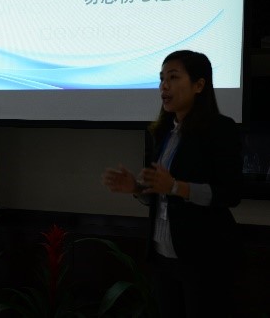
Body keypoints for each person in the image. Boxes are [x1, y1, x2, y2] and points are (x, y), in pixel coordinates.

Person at [102, 50, 243, 317]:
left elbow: (230, 193)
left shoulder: (221, 129)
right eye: (161, 78)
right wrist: (136, 189)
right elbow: (161, 192)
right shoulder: (164, 132)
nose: (163, 86)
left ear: (199, 85)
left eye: (173, 77)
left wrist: (177, 187)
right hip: (163, 257)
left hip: (204, 258)